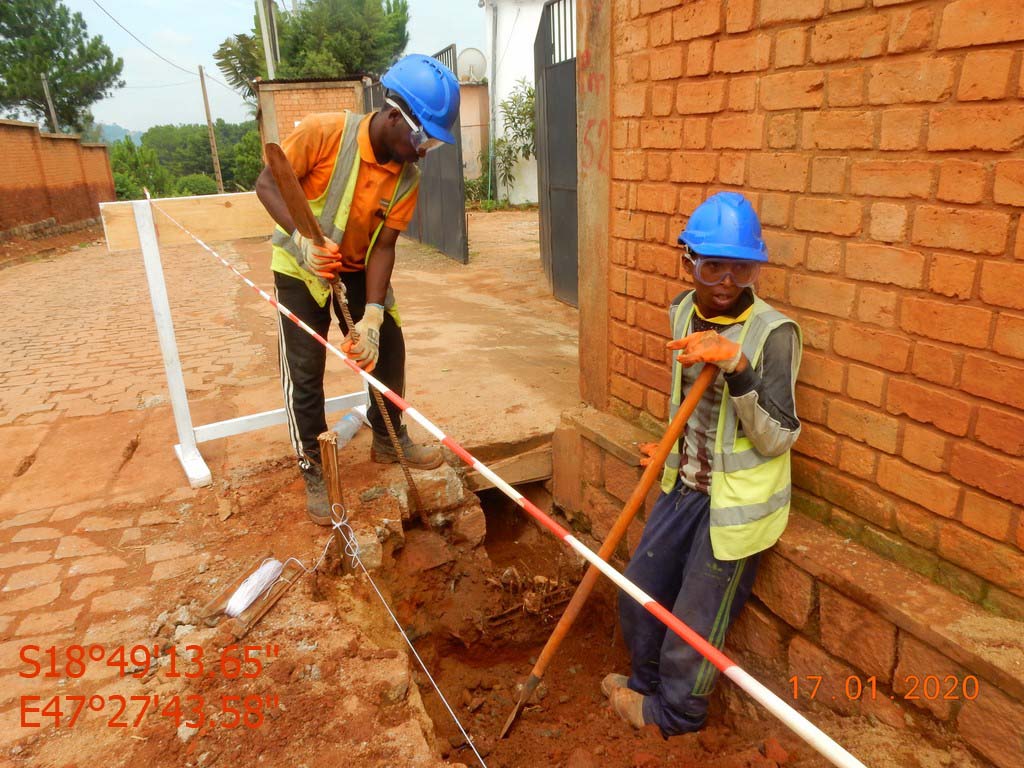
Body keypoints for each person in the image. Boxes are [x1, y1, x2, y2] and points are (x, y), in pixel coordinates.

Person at [603, 192, 803, 737]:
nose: (726, 280)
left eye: (741, 266)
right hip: (681, 486)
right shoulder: (681, 311)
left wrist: (738, 367)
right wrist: (669, 445)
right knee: (638, 594)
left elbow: (779, 437)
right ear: (686, 260)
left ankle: (676, 717)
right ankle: (644, 690)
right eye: (713, 264)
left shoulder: (772, 334)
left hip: (734, 507)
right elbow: (686, 405)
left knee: (692, 627)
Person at [255, 54, 460, 525]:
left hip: (358, 265)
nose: (424, 149)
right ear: (394, 117)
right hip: (300, 263)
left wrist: (371, 314)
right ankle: (314, 467)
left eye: (432, 141)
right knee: (305, 369)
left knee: (389, 345)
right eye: (421, 137)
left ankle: (390, 442)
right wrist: (302, 240)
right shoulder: (324, 133)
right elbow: (268, 183)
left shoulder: (408, 177)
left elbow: (384, 245)